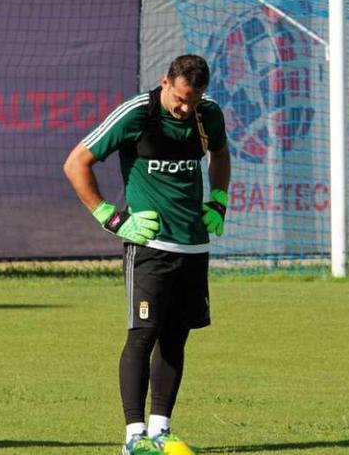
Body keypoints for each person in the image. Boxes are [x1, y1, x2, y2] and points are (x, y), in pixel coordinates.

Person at [63, 55, 230, 455]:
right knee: (142, 336)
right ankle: (133, 436)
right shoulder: (138, 112)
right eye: (180, 98)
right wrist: (111, 217)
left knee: (176, 338)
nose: (186, 108)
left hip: (193, 244)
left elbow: (220, 155)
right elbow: (76, 163)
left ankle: (161, 430)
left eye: (195, 99)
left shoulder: (208, 115)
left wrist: (219, 201)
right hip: (150, 247)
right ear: (165, 82)